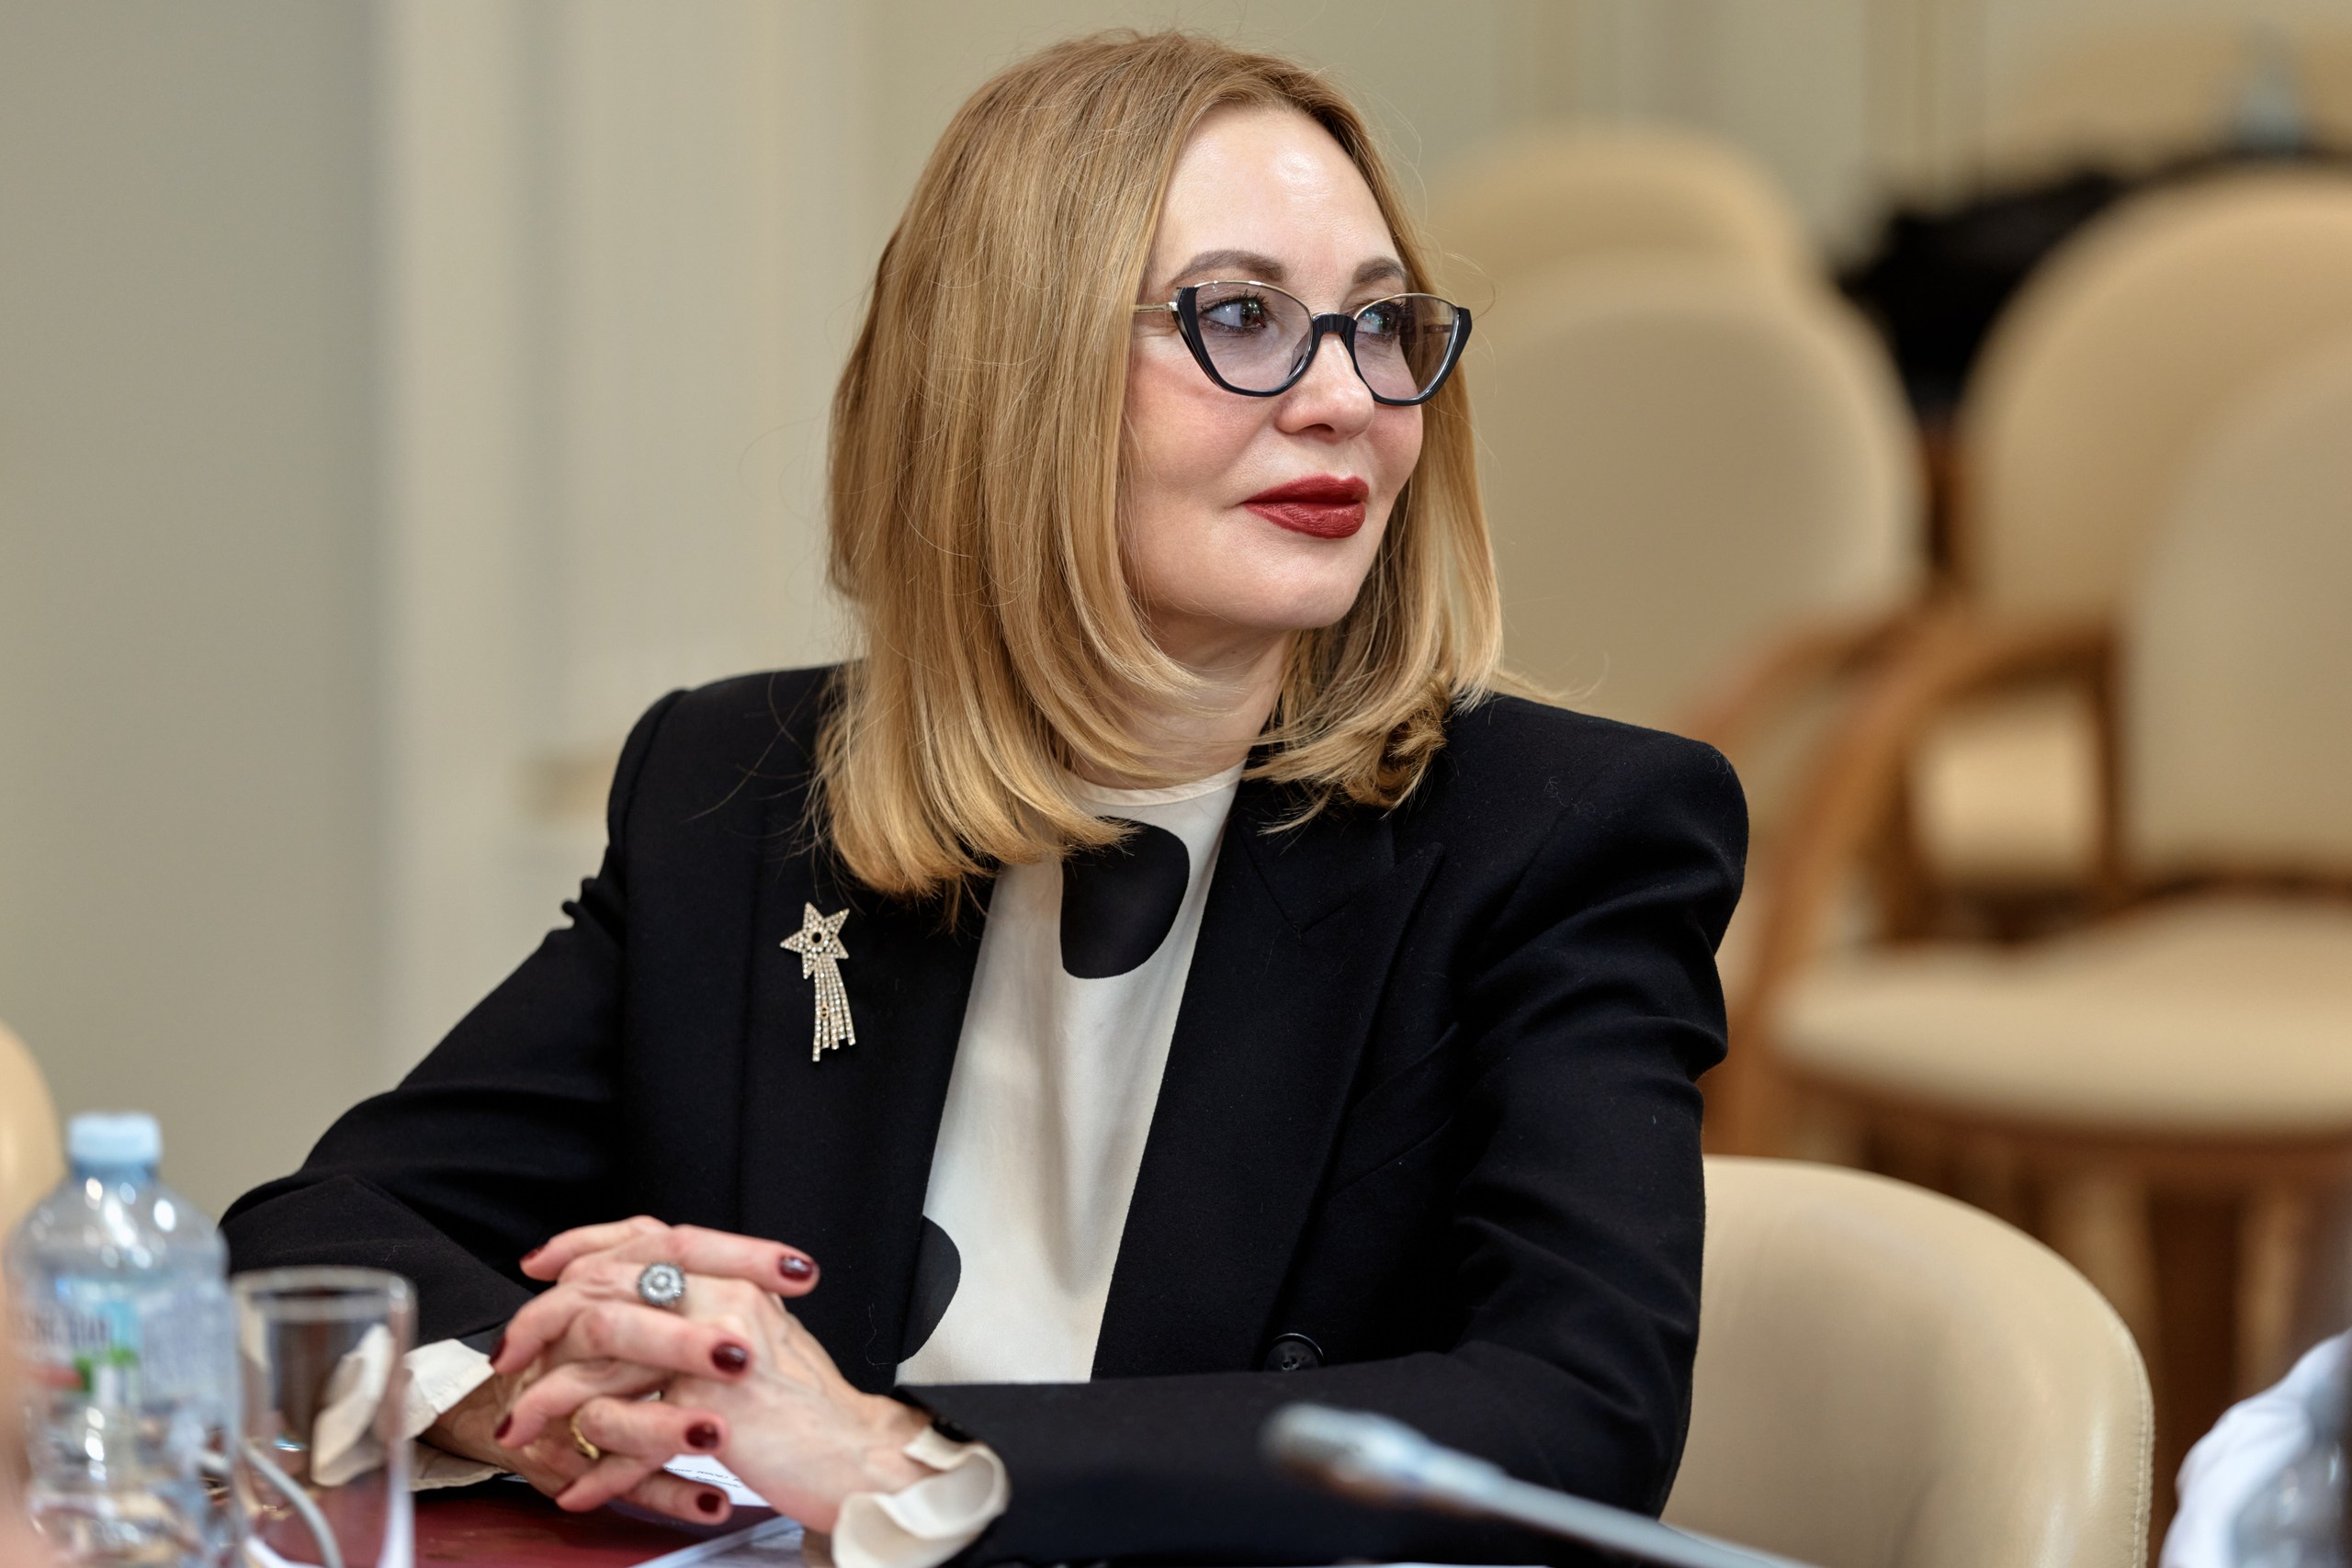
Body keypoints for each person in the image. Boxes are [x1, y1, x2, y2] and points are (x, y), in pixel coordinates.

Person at [222, 29, 1745, 1567]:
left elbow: (1578, 1416)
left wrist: (894, 1455)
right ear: (1004, 379)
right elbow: (315, 1237)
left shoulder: (1562, 831)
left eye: (1381, 324)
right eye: (1240, 316)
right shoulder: (741, 792)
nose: (1348, 397)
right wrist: (562, 1398)